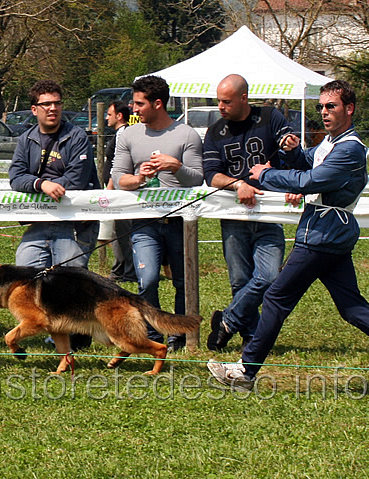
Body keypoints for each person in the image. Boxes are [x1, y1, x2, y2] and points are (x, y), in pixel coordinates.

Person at [208, 79, 369, 391]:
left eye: (331, 106)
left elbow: (313, 180)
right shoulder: (332, 142)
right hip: (328, 234)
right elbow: (309, 164)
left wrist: (266, 174)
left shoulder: (350, 148)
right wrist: (294, 152)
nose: (323, 112)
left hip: (322, 235)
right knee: (351, 308)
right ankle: (245, 371)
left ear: (349, 109)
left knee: (276, 298)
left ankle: (245, 372)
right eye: (321, 106)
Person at [203, 73, 295, 352]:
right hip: (233, 216)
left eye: (227, 101)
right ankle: (251, 337)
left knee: (268, 277)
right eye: (219, 101)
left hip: (268, 215)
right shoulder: (215, 131)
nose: (221, 106)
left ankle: (227, 321)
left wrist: (290, 144)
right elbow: (211, 175)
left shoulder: (269, 117)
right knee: (239, 280)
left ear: (244, 98)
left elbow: (287, 143)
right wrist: (238, 184)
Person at [112, 75, 204, 353]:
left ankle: (178, 334)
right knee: (148, 279)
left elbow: (198, 179)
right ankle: (152, 333)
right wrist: (139, 178)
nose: (134, 109)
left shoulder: (186, 134)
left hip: (179, 221)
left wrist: (176, 167)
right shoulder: (128, 135)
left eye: (139, 104)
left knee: (182, 281)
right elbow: (118, 178)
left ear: (158, 103)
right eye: (134, 103)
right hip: (144, 221)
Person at [8, 79, 100, 351]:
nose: (53, 109)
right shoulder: (27, 139)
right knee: (25, 272)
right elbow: (16, 177)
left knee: (72, 281)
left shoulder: (77, 137)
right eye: (46, 104)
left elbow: (76, 180)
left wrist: (45, 182)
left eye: (57, 103)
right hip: (39, 221)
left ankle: (79, 335)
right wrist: (41, 184)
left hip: (74, 222)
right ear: (34, 109)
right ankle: (49, 327)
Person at [103, 100, 137, 283]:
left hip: (118, 191)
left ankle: (130, 272)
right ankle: (121, 269)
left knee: (123, 232)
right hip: (115, 189)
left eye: (109, 114)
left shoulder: (123, 134)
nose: (106, 118)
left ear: (119, 116)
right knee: (117, 233)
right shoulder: (119, 133)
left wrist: (110, 189)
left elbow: (118, 165)